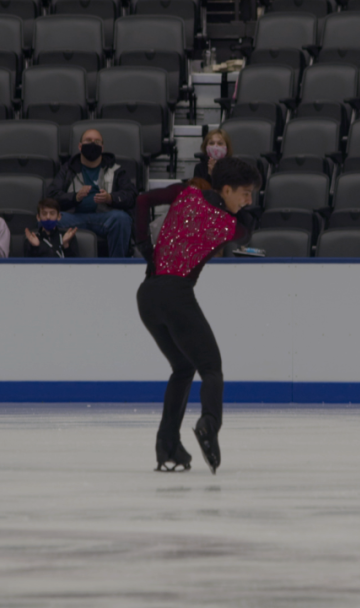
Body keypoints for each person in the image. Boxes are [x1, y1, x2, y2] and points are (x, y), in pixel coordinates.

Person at [134, 157, 261, 475]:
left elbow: (143, 200)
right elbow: (247, 232)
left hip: (147, 295)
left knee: (183, 367)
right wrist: (238, 211)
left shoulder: (185, 193)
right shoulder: (229, 224)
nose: (248, 200)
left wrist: (144, 246)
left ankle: (168, 447)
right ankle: (209, 424)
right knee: (211, 368)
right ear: (227, 189)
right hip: (176, 295)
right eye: (245, 193)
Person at [46, 129, 138, 257]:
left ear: (102, 148)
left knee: (122, 219)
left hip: (105, 218)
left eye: (97, 142)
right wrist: (75, 197)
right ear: (80, 146)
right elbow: (51, 196)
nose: (93, 144)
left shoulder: (115, 169)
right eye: (88, 141)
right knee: (46, 220)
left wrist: (110, 198)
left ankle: (117, 266)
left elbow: (131, 195)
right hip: (74, 217)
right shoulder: (68, 169)